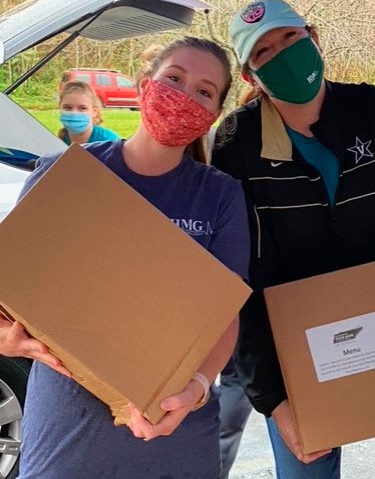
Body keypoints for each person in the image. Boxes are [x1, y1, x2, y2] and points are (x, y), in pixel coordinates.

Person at [212, 0, 375, 479]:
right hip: (296, 362)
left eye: (290, 38)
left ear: (314, 36)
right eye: (264, 52)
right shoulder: (235, 144)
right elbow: (239, 277)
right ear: (250, 76)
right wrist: (273, 401)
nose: (284, 53)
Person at [0, 37, 250, 479]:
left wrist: (194, 389)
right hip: (66, 424)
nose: (184, 96)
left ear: (213, 114)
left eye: (204, 91)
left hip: (172, 424)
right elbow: (13, 283)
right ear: (144, 85)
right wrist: (6, 341)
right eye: (174, 78)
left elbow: (223, 315)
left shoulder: (220, 196)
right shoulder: (64, 175)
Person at [58, 80, 119, 144]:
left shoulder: (109, 142)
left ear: (94, 111)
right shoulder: (60, 140)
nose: (74, 113)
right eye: (67, 107)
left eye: (82, 108)